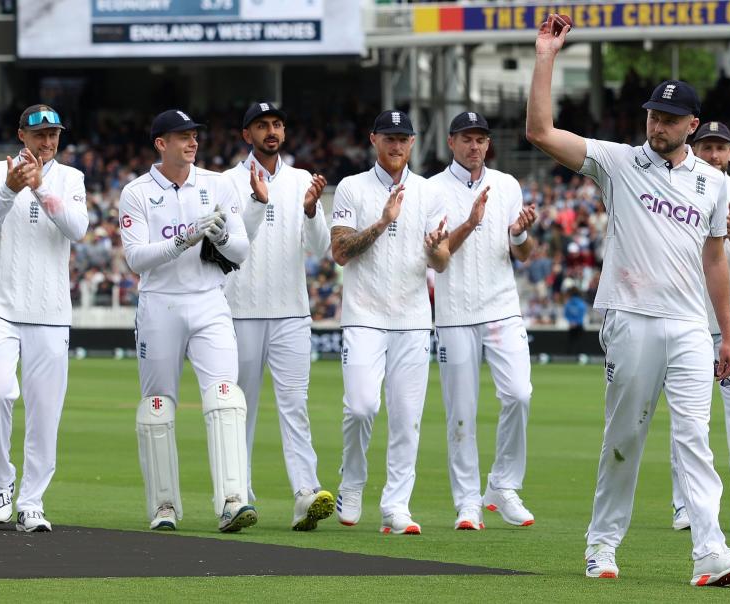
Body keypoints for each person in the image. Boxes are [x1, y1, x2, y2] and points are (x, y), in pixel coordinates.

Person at [526, 14, 730, 587]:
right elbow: (540, 133)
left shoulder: (712, 180)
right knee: (624, 438)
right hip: (629, 318)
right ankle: (600, 546)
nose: (658, 124)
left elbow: (715, 261)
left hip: (687, 325)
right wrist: (546, 55)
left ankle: (710, 552)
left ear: (692, 125)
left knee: (694, 438)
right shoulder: (618, 162)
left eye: (671, 119)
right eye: (654, 114)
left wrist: (725, 334)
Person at [119, 109, 254, 533]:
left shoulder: (218, 184)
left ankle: (233, 501)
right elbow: (135, 257)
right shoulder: (137, 192)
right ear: (161, 144)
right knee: (157, 407)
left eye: (194, 135)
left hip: (209, 301)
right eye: (183, 137)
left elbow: (242, 250)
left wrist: (220, 237)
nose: (192, 143)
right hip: (160, 305)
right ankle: (164, 506)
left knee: (225, 397)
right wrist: (182, 239)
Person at [330, 110, 450, 535]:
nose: (396, 145)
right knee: (362, 407)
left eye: (404, 138)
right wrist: (382, 222)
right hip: (364, 314)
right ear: (373, 139)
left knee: (406, 417)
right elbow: (340, 252)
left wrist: (437, 249)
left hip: (414, 317)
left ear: (413, 143)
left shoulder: (429, 192)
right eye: (389, 137)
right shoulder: (351, 187)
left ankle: (397, 505)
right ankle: (353, 481)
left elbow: (441, 258)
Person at [0, 104, 88, 532]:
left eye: (54, 134)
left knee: (44, 412)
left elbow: (77, 229)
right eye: (39, 135)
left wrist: (39, 189)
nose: (48, 142)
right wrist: (9, 188)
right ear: (22, 135)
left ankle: (32, 501)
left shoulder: (71, 178)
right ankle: (1, 482)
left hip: (51, 312)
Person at [223, 101, 334, 531]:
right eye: (262, 125)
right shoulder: (227, 182)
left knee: (295, 406)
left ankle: (306, 493)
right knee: (239, 410)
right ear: (245, 134)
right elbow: (229, 242)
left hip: (291, 311)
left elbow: (322, 247)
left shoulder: (303, 180)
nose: (271, 131)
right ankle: (237, 495)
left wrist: (311, 211)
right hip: (239, 310)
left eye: (277, 124)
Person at [429, 110, 537, 531]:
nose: (475, 147)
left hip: (502, 307)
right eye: (466, 139)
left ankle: (503, 485)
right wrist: (470, 224)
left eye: (481, 139)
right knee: (461, 412)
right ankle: (467, 502)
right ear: (451, 142)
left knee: (519, 395)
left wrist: (520, 234)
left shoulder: (507, 184)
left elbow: (524, 255)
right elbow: (436, 258)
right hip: (454, 313)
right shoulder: (432, 190)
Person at [670, 122, 730, 533]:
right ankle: (685, 504)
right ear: (695, 148)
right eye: (706, 147)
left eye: (720, 148)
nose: (713, 154)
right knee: (689, 419)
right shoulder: (675, 185)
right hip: (687, 320)